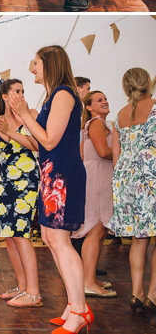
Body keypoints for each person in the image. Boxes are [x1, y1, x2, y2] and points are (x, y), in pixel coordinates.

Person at [7, 45, 91, 333]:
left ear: (49, 64)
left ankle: (80, 311)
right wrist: (13, 129)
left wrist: (25, 116)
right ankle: (73, 305)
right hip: (51, 176)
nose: (31, 68)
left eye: (35, 63)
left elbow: (51, 140)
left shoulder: (65, 94)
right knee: (50, 238)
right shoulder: (52, 97)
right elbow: (38, 143)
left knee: (59, 241)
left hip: (63, 176)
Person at [0, 79, 42, 308]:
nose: (20, 94)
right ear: (5, 97)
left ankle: (34, 293)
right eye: (16, 91)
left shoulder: (30, 113)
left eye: (23, 90)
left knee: (22, 234)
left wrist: (9, 131)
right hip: (6, 178)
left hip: (26, 176)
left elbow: (37, 145)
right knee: (9, 236)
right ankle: (22, 287)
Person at [109, 67, 156, 315]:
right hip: (151, 176)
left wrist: (120, 187)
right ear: (147, 83)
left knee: (139, 239)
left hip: (126, 179)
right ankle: (153, 295)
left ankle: (136, 293)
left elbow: (116, 155)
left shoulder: (119, 115)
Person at [74, 90, 116, 297]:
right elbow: (103, 152)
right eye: (99, 100)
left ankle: (89, 277)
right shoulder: (97, 123)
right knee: (96, 230)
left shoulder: (89, 126)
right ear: (89, 107)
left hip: (93, 175)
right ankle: (88, 282)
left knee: (98, 231)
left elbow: (82, 154)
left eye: (105, 99)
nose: (105, 102)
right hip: (99, 177)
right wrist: (123, 151)